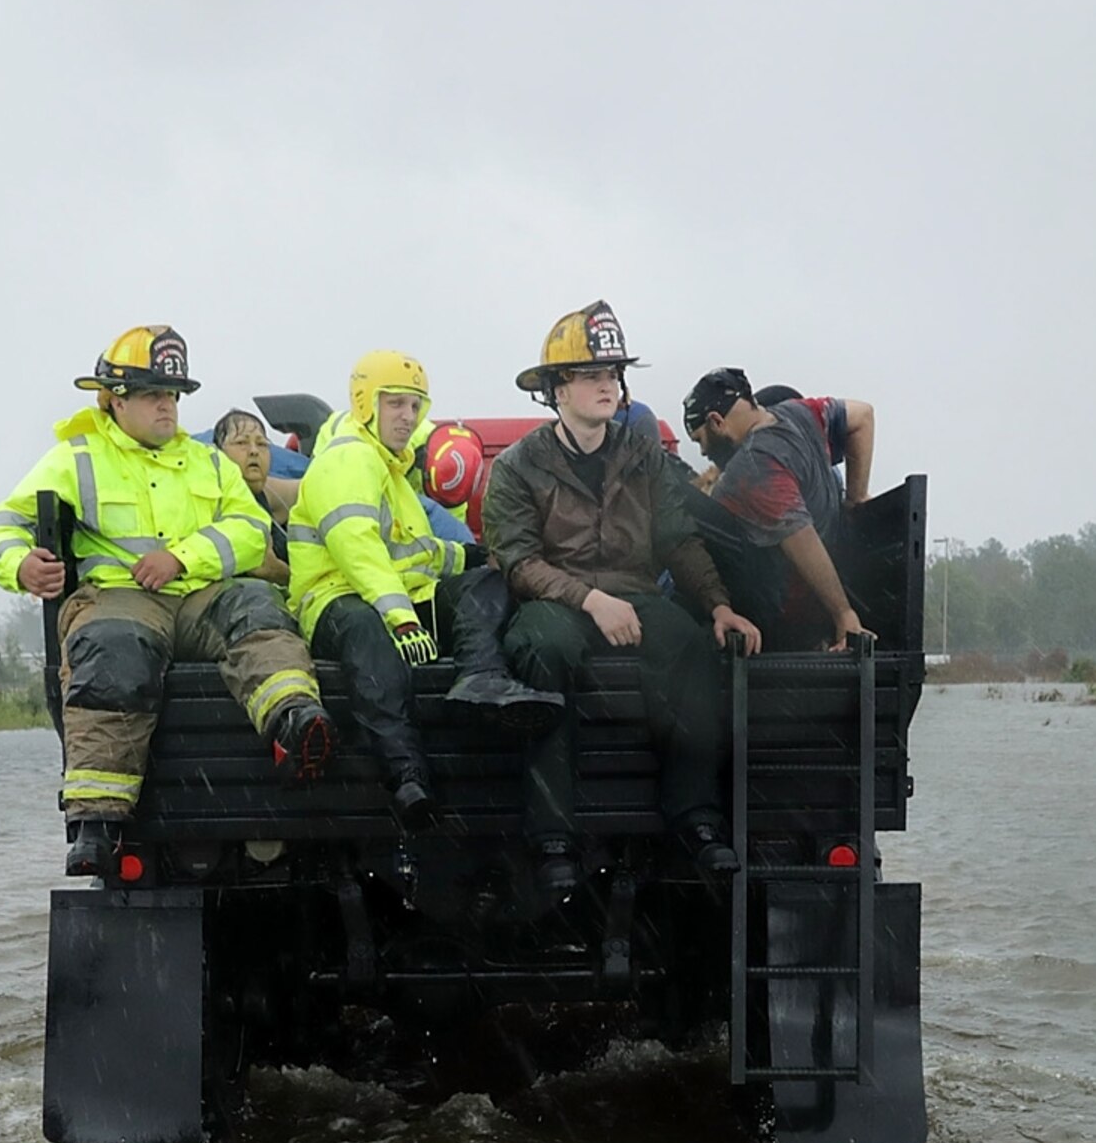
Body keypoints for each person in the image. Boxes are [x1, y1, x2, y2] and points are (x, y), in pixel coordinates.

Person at [0, 326, 334, 877]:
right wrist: (20, 565)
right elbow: (6, 522)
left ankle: (295, 725)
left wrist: (182, 558)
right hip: (118, 598)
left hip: (197, 593)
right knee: (113, 649)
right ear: (114, 400)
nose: (167, 407)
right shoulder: (76, 458)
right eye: (153, 395)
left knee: (259, 607)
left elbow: (248, 529)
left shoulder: (207, 461)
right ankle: (97, 823)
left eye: (172, 395)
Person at [481, 302, 762, 896]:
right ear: (558, 390)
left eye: (612, 374)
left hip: (634, 595)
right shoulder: (517, 466)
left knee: (689, 643)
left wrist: (717, 605)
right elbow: (519, 562)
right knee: (542, 648)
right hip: (556, 600)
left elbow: (678, 540)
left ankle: (694, 816)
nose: (608, 384)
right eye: (591, 375)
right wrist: (589, 601)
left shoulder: (645, 459)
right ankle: (552, 836)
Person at [286, 351, 564, 830]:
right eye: (395, 404)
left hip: (401, 595)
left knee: (486, 584)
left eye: (414, 406)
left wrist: (474, 560)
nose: (407, 417)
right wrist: (403, 618)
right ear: (364, 404)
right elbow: (358, 549)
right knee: (368, 637)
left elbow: (418, 554)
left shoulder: (389, 468)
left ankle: (480, 679)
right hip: (336, 598)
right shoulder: (348, 458)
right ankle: (405, 774)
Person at [684, 370, 879, 653]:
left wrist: (843, 614)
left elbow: (802, 540)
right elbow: (862, 417)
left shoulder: (752, 466)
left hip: (783, 616)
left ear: (717, 422)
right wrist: (856, 496)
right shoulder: (798, 414)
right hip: (824, 589)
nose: (703, 452)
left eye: (699, 439)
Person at [209, 409, 299, 585]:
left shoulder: (267, 492)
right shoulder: (211, 500)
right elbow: (267, 570)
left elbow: (307, 487)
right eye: (241, 442)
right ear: (218, 453)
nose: (254, 451)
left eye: (262, 444)